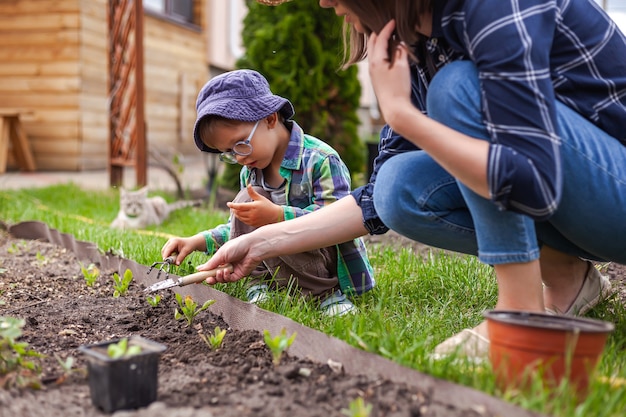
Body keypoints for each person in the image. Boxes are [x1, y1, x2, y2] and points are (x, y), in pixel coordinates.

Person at [207, 0, 625, 359]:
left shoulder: (492, 8)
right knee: (398, 187)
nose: (322, 4)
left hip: (612, 197)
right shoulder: (419, 45)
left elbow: (534, 178)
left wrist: (402, 114)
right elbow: (374, 201)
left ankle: (520, 313)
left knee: (456, 90)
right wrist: (257, 242)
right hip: (582, 205)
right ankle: (569, 279)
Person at [161, 69, 374, 317]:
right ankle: (261, 283)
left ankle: (325, 294)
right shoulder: (251, 170)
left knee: (284, 222)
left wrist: (277, 216)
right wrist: (197, 241)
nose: (239, 158)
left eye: (241, 144)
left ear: (270, 119)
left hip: (325, 265)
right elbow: (239, 227)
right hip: (278, 264)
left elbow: (337, 221)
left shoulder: (320, 160)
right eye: (229, 153)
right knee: (244, 200)